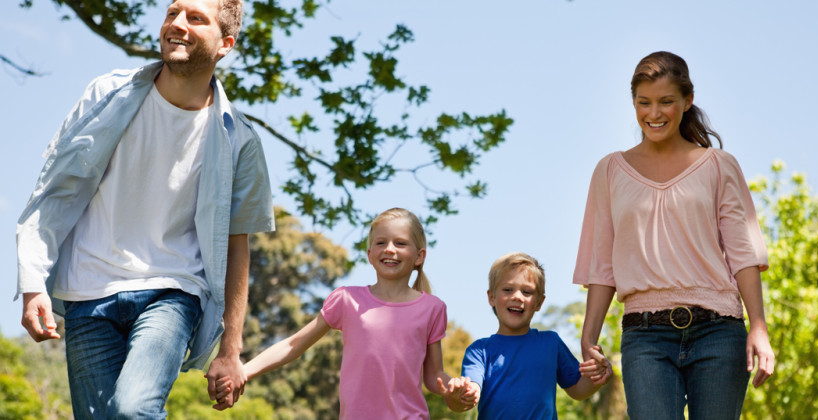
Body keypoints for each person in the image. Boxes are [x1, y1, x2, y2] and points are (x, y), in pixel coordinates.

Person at [15, 0, 274, 417]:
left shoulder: (238, 140)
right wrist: (33, 283)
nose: (177, 24)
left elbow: (236, 244)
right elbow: (54, 191)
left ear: (225, 44)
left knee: (135, 410)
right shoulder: (106, 95)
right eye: (172, 13)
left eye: (195, 18)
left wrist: (231, 349)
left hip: (172, 291)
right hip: (88, 293)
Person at [573, 51, 775, 419]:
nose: (654, 113)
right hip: (645, 337)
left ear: (687, 100)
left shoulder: (719, 165)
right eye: (643, 103)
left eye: (666, 102)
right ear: (632, 103)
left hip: (719, 332)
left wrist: (758, 327)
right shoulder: (609, 171)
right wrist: (589, 338)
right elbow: (602, 264)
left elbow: (742, 253)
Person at [215, 207, 479, 418]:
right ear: (369, 253)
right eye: (381, 242)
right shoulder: (346, 299)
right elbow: (294, 344)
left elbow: (434, 375)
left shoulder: (432, 308)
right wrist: (244, 371)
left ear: (419, 256)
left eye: (400, 243)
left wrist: (453, 388)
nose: (389, 249)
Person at [459, 252, 612, 419]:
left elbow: (577, 389)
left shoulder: (551, 343)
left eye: (527, 292)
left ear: (539, 302)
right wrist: (464, 392)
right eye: (508, 289)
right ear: (491, 297)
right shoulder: (479, 351)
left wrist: (598, 377)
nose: (517, 297)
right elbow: (471, 390)